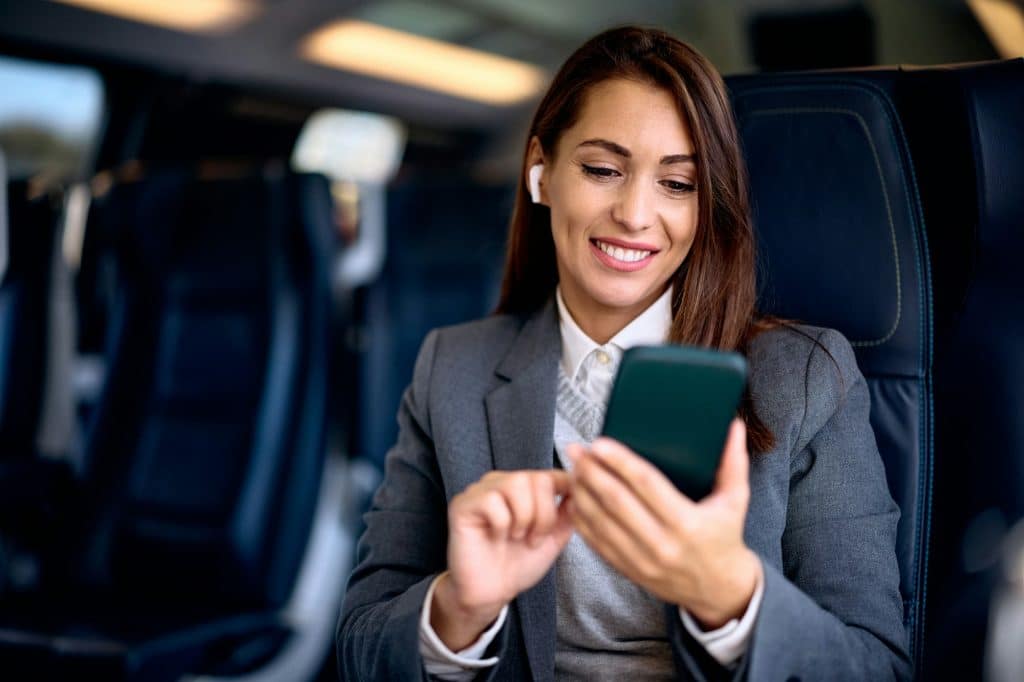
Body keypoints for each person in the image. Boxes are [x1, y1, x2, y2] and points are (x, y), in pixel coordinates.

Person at [337, 26, 910, 681]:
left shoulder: (804, 375)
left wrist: (729, 596)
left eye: (678, 184)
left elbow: (879, 667)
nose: (636, 214)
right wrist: (460, 608)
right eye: (603, 170)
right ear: (541, 172)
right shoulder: (454, 368)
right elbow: (360, 646)